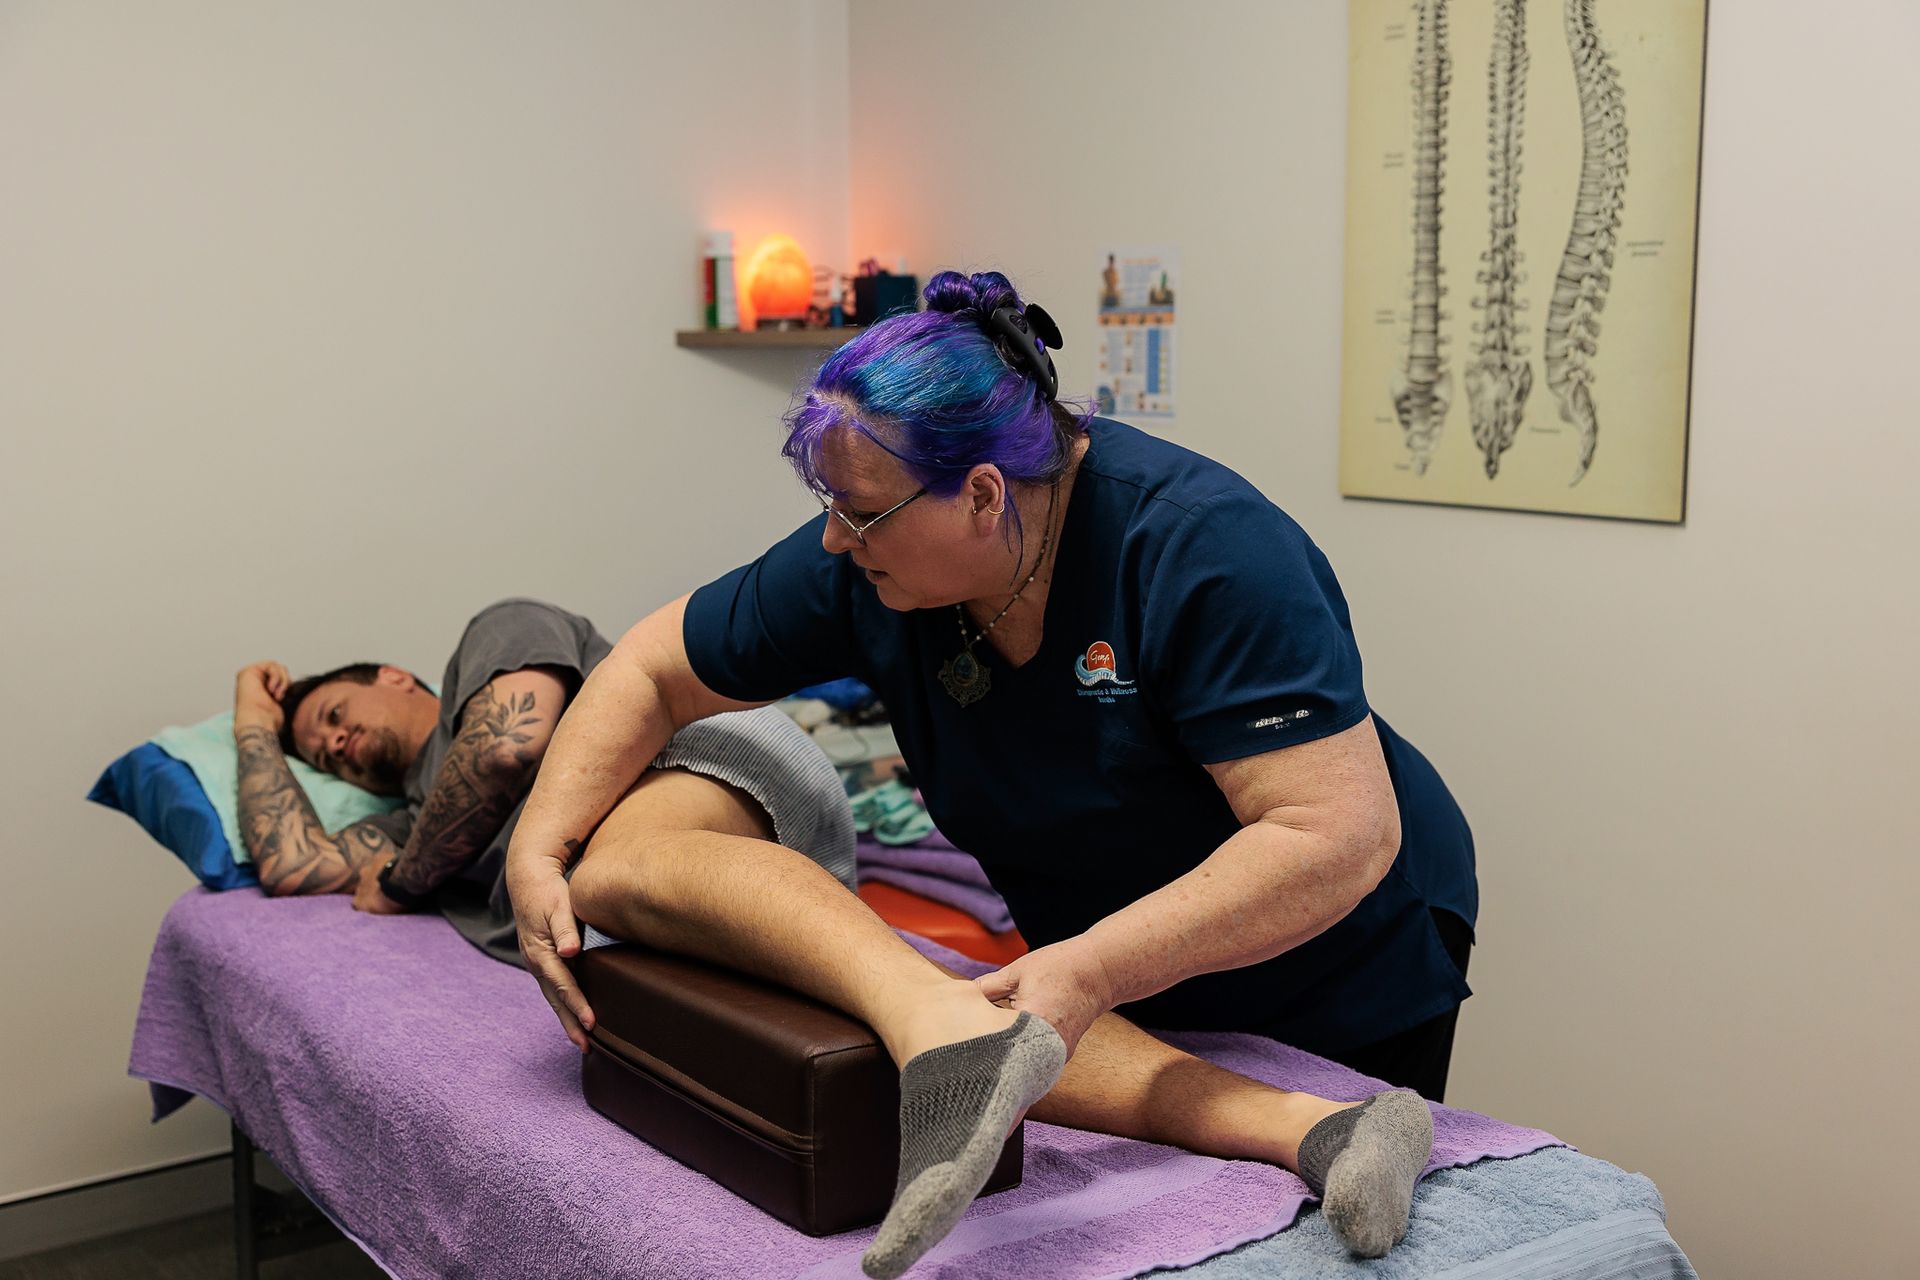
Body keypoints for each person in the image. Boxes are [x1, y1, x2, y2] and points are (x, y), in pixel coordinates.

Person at [507, 271, 1476, 1274]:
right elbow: (653, 664)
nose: (838, 536)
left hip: (1336, 950)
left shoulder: (1203, 549)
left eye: (863, 512)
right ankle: (1296, 1124)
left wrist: (1094, 966)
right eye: (828, 505)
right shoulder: (862, 565)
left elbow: (1336, 836)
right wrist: (541, 843)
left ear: (981, 493)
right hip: (1112, 942)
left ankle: (1337, 1126)